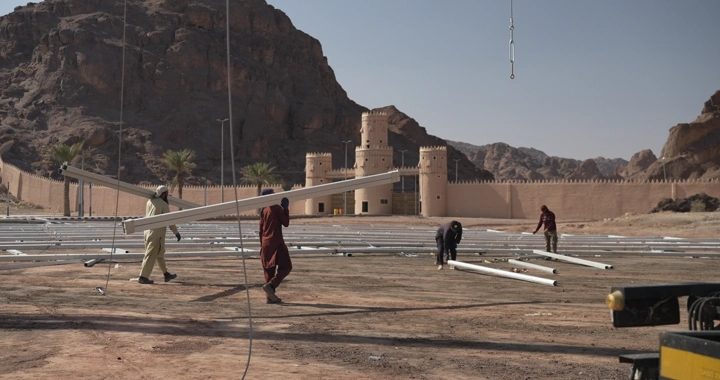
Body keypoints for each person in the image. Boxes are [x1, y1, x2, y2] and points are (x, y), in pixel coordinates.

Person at [138, 185, 181, 284]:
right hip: (157, 233)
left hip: (148, 231)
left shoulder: (149, 202)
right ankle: (143, 277)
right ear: (164, 194)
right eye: (166, 194)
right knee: (150, 255)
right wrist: (176, 232)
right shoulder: (163, 204)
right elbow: (168, 219)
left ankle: (166, 274)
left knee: (159, 254)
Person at [258, 189, 291, 304]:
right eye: (273, 193)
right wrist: (285, 209)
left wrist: (262, 246)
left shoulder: (264, 210)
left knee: (269, 270)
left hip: (265, 243)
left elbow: (260, 230)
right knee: (286, 267)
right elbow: (286, 223)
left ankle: (269, 297)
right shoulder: (276, 208)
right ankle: (271, 286)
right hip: (276, 242)